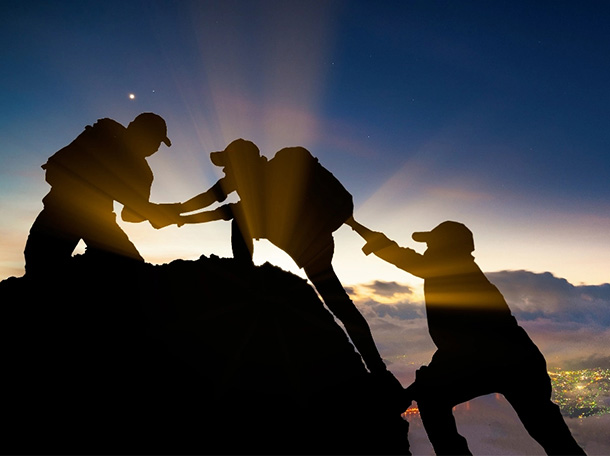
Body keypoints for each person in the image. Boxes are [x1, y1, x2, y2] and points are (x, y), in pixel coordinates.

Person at [349, 218, 586, 455]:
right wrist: (356, 226)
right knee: (549, 431)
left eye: (431, 245)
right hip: (519, 363)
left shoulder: (455, 277)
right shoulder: (453, 272)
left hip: (506, 364)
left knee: (432, 399)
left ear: (447, 250)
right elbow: (402, 256)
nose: (426, 250)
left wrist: (417, 387)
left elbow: (465, 349)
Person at [177, 140, 402, 389]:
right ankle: (378, 370)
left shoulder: (262, 177)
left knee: (240, 217)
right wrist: (173, 214)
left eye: (227, 166)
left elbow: (221, 206)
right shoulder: (251, 178)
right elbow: (212, 199)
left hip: (310, 243)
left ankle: (244, 275)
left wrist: (174, 215)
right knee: (340, 306)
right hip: (315, 244)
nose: (225, 172)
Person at [24, 113, 180, 275]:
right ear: (135, 129)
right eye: (153, 139)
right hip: (59, 215)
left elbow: (130, 215)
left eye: (158, 143)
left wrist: (159, 213)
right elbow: (53, 172)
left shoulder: (143, 173)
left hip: (99, 223)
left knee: (133, 270)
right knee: (41, 270)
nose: (155, 147)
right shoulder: (102, 136)